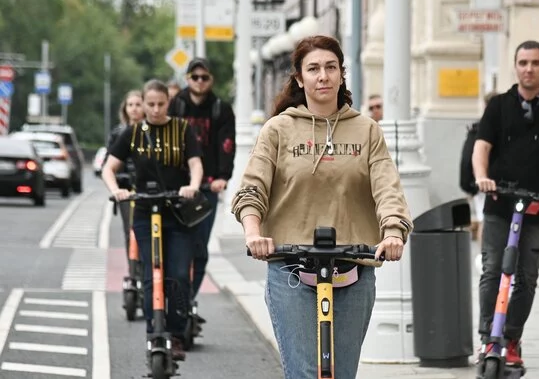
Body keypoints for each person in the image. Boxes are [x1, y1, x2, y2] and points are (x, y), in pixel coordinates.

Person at [231, 35, 413, 379]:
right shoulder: (278, 130)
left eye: (331, 67)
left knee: (341, 374)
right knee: (303, 373)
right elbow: (252, 187)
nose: (323, 76)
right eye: (313, 69)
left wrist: (392, 233)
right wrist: (254, 233)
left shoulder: (366, 130)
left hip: (352, 270)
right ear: (299, 78)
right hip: (291, 269)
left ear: (342, 74)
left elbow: (388, 188)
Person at [471, 40, 539, 367]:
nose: (528, 68)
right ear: (515, 67)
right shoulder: (499, 106)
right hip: (500, 202)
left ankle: (512, 338)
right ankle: (489, 337)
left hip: (538, 204)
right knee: (492, 270)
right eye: (523, 62)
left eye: (535, 63)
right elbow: (481, 148)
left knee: (527, 276)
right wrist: (482, 177)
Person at [102, 79, 203, 362]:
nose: (156, 109)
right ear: (143, 104)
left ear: (167, 103)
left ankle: (176, 333)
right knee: (150, 273)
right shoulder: (132, 132)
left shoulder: (183, 130)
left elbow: (196, 164)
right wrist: (117, 191)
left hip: (177, 209)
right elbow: (109, 168)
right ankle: (154, 334)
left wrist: (192, 186)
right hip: (145, 210)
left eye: (161, 104)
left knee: (179, 275)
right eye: (151, 104)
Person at [169, 57, 236, 321]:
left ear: (211, 80)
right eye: (194, 77)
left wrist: (222, 177)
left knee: (199, 250)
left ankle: (187, 302)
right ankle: (174, 301)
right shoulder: (175, 106)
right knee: (175, 247)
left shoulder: (220, 109)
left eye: (204, 77)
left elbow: (227, 144)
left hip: (206, 187)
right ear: (187, 79)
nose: (199, 81)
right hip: (176, 187)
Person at [105, 90, 145, 271]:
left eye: (138, 104)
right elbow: (109, 163)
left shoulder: (152, 132)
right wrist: (118, 186)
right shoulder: (118, 133)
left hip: (147, 189)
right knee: (131, 231)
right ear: (125, 108)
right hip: (126, 190)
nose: (134, 109)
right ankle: (134, 271)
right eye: (131, 105)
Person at [459, 91, 497, 242]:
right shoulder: (480, 129)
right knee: (485, 220)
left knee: (485, 220)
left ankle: (484, 257)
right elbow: (468, 158)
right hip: (484, 184)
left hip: (481, 184)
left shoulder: (477, 128)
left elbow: (465, 158)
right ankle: (484, 257)